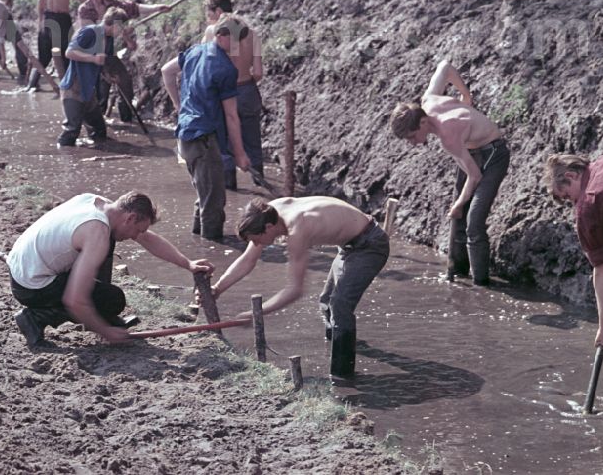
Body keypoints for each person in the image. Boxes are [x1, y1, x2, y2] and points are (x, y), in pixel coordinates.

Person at [209, 197, 389, 377]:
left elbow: (295, 290)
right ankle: (343, 345)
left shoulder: (298, 229)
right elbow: (248, 260)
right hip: (349, 245)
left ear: (269, 228)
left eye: (256, 240)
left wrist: (257, 312)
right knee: (327, 302)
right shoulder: (268, 213)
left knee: (339, 305)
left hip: (370, 245)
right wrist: (217, 289)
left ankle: (342, 377)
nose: (256, 245)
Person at [6, 191, 214, 347]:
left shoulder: (98, 203)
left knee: (107, 247)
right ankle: (35, 318)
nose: (135, 236)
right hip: (30, 285)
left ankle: (99, 314)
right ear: (131, 217)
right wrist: (105, 331)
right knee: (112, 300)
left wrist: (188, 264)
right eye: (137, 229)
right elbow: (74, 299)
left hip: (23, 266)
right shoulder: (96, 231)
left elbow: (148, 239)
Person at [389, 60, 510, 286]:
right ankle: (457, 274)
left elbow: (475, 176)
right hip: (471, 151)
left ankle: (480, 284)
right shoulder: (427, 101)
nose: (413, 143)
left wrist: (459, 203)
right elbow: (444, 66)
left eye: (412, 137)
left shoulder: (448, 136)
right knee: (459, 217)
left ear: (423, 122)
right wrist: (466, 95)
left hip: (494, 154)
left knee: (473, 219)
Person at [544, 147, 603, 400]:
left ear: (573, 175)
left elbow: (602, 270)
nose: (570, 203)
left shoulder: (587, 206)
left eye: (566, 196)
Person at [161, 14, 251, 241]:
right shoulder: (225, 69)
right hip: (204, 137)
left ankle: (197, 241)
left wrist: (179, 105)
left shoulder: (194, 51)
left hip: (186, 133)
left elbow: (166, 71)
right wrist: (240, 154)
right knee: (214, 201)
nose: (238, 47)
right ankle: (211, 252)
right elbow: (231, 115)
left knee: (204, 193)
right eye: (235, 41)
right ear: (221, 36)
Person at [77, 0, 169, 123]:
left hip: (110, 52)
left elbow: (133, 8)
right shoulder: (85, 9)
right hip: (92, 54)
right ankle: (97, 123)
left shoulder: (111, 3)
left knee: (125, 81)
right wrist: (102, 68)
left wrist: (157, 8)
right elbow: (90, 37)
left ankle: (126, 117)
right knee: (101, 91)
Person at [202, 0, 264, 190]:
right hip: (248, 89)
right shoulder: (252, 33)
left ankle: (230, 185)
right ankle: (260, 183)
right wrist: (246, 82)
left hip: (225, 93)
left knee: (224, 139)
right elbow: (259, 72)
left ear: (219, 13)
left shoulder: (213, 32)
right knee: (253, 139)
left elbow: (206, 64)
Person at [57, 7, 130, 147]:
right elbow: (70, 53)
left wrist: (108, 76)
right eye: (121, 28)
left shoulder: (108, 40)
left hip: (89, 90)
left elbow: (102, 63)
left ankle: (98, 153)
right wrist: (93, 59)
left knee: (99, 130)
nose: (122, 32)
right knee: (71, 131)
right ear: (115, 25)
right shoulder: (89, 32)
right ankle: (64, 159)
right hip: (73, 88)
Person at [27, 0, 85, 90]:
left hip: (48, 18)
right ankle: (69, 87)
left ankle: (32, 84)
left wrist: (41, 19)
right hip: (60, 20)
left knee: (44, 56)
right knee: (66, 52)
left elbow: (41, 0)